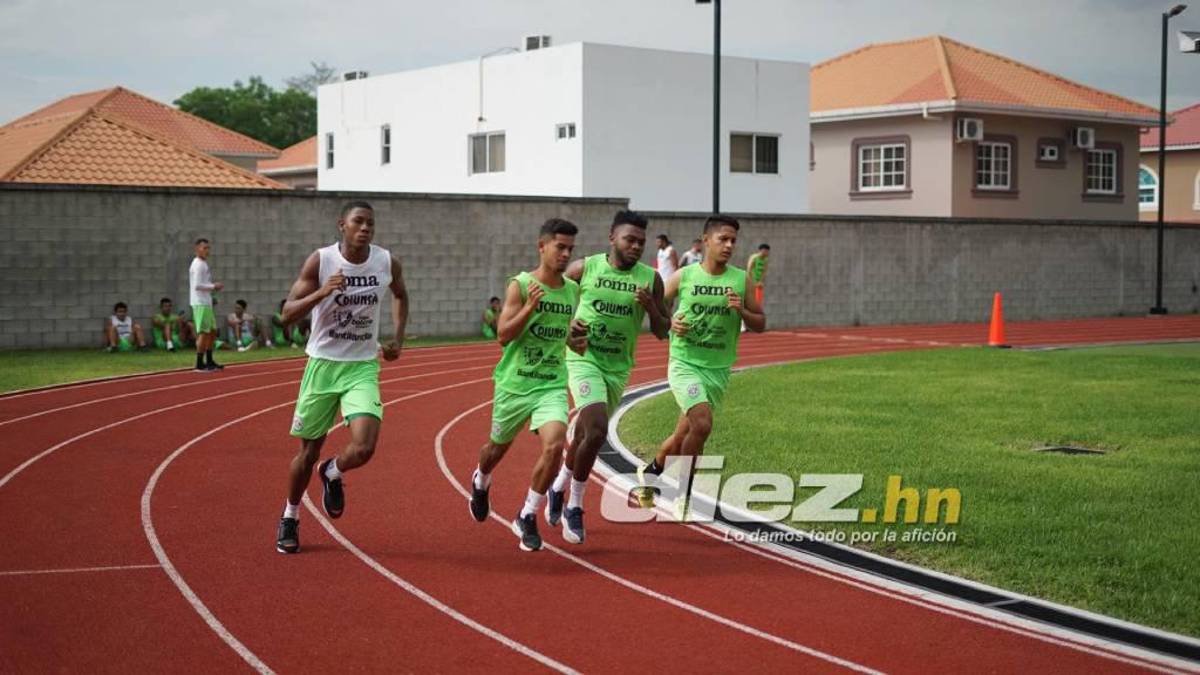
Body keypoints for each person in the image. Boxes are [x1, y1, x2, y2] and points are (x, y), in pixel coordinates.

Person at [275, 201, 408, 555]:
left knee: (364, 447)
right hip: (323, 365)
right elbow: (286, 314)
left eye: (370, 224)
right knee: (307, 452)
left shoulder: (385, 262)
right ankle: (290, 516)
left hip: (361, 366)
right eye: (358, 222)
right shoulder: (321, 261)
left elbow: (400, 294)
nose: (365, 228)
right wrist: (322, 292)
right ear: (342, 225)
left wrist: (398, 338)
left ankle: (333, 470)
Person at [545, 210, 669, 544]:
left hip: (618, 368)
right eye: (630, 239)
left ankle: (558, 486)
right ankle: (575, 505)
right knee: (597, 429)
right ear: (612, 238)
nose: (636, 246)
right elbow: (553, 304)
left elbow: (663, 331)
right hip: (583, 359)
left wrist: (651, 307)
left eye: (641, 242)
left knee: (585, 435)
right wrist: (568, 325)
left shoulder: (651, 279)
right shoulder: (583, 269)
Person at [467, 218, 587, 552]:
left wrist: (577, 341)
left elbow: (564, 336)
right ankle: (481, 478)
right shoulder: (520, 285)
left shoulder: (572, 290)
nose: (566, 254)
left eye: (570, 249)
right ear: (542, 247)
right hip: (515, 384)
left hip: (551, 384)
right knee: (495, 450)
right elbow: (504, 335)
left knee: (555, 444)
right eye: (560, 247)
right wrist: (532, 307)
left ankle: (527, 514)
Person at [638, 215, 766, 519]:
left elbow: (760, 323)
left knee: (682, 436)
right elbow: (655, 305)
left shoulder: (740, 280)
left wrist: (741, 310)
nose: (729, 245)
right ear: (706, 240)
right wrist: (670, 322)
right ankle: (684, 494)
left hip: (717, 369)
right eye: (723, 239)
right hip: (684, 363)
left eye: (733, 240)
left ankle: (652, 472)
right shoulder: (684, 276)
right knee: (703, 424)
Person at [189, 238, 224, 371]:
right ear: (197, 249)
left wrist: (211, 296)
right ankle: (199, 363)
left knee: (212, 332)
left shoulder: (203, 263)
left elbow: (203, 284)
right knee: (204, 332)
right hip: (200, 303)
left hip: (206, 302)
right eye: (204, 248)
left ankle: (209, 360)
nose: (207, 251)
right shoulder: (198, 264)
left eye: (208, 248)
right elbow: (197, 285)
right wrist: (214, 286)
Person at [747, 243, 770, 310]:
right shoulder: (754, 257)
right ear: (762, 250)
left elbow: (764, 271)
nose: (767, 253)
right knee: (751, 300)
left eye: (768, 251)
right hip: (752, 282)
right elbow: (749, 270)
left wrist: (760, 281)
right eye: (766, 251)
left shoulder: (765, 260)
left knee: (758, 301)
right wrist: (751, 282)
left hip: (758, 283)